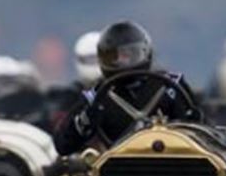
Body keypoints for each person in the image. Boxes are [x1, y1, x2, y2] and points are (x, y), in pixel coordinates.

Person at [53, 21, 199, 155]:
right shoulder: (97, 97)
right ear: (103, 59)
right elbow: (62, 145)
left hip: (170, 164)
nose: (123, 62)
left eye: (129, 55)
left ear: (144, 52)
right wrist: (84, 121)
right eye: (114, 57)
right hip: (119, 170)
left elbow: (200, 132)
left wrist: (188, 120)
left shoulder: (171, 86)